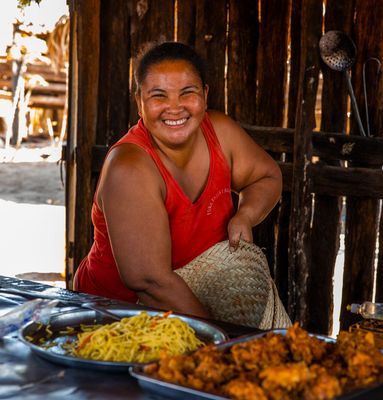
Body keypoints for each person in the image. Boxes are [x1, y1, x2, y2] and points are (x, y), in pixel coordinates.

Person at [73, 41, 282, 318]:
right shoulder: (129, 167)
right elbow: (149, 282)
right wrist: (221, 337)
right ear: (139, 103)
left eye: (188, 93)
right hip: (114, 313)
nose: (175, 108)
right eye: (159, 96)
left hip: (196, 297)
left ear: (205, 95)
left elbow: (266, 177)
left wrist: (245, 215)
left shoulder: (220, 133)